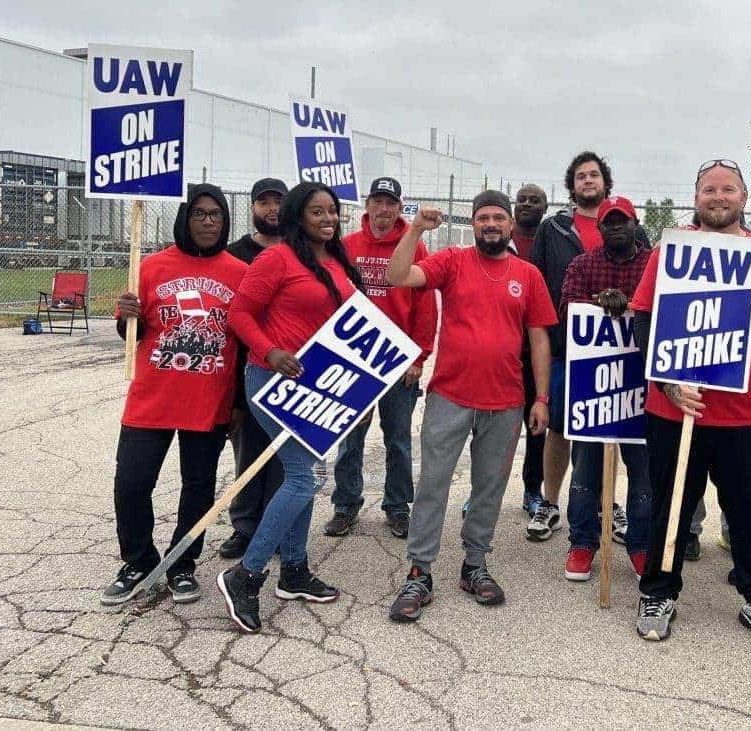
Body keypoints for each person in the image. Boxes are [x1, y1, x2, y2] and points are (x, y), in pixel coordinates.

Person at [632, 159, 751, 651]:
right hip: (677, 411)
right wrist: (666, 384)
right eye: (709, 189)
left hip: (749, 413)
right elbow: (643, 322)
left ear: (744, 199)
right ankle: (658, 593)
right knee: (670, 505)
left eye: (728, 189)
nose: (718, 197)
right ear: (697, 197)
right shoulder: (671, 251)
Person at [385, 191, 556, 624]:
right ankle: (420, 571)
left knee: (488, 489)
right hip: (449, 395)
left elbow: (539, 338)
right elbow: (398, 275)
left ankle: (474, 564)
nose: (491, 224)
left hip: (506, 401)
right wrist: (417, 229)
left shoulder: (528, 274)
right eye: (483, 218)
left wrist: (541, 397)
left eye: (499, 217)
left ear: (511, 223)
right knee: (433, 485)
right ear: (474, 223)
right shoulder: (453, 261)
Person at [218, 182, 365, 634]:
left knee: (302, 476)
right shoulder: (276, 258)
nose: (328, 218)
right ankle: (246, 575)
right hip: (273, 378)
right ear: (298, 216)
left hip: (318, 386)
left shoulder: (336, 261)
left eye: (333, 211)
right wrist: (270, 351)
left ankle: (295, 571)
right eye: (317, 211)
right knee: (304, 477)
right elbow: (239, 314)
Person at [101, 184, 247, 606]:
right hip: (152, 399)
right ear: (185, 218)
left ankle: (182, 564)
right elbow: (135, 334)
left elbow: (243, 342)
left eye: (215, 214)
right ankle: (138, 561)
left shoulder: (239, 272)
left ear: (225, 222)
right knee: (131, 483)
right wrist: (126, 316)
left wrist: (237, 402)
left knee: (198, 486)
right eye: (199, 213)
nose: (207, 221)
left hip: (209, 400)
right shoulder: (148, 267)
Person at [528, 152, 648, 542]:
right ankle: (549, 502)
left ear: (605, 181)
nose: (588, 181)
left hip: (630, 355)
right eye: (580, 176)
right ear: (572, 184)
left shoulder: (637, 236)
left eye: (594, 174)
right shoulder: (554, 229)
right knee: (562, 427)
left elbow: (648, 293)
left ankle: (608, 505)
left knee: (614, 428)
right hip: (571, 348)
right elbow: (543, 284)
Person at [325, 177, 437, 539]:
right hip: (355, 356)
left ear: (399, 208)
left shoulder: (413, 247)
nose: (384, 210)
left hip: (397, 358)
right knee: (351, 436)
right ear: (367, 205)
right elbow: (333, 299)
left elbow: (424, 305)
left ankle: (397, 506)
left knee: (398, 438)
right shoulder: (347, 246)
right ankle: (345, 504)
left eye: (391, 203)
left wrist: (419, 356)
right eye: (378, 201)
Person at [557, 195, 653, 581]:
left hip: (642, 387)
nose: (616, 227)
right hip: (593, 386)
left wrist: (627, 303)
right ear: (599, 228)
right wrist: (603, 304)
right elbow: (568, 309)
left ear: (634, 224)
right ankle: (582, 543)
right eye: (608, 222)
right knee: (585, 471)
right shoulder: (582, 265)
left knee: (643, 475)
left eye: (622, 221)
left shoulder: (651, 263)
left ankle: (642, 545)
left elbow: (662, 305)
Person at [219, 177, 288, 560]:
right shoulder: (233, 255)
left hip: (290, 369)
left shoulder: (301, 253)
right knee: (248, 453)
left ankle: (275, 529)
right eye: (264, 202)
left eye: (279, 201)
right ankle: (245, 528)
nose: (272, 208)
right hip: (245, 368)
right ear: (253, 208)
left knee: (283, 458)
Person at [512, 183, 550, 514]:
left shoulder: (550, 241)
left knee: (536, 424)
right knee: (492, 427)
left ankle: (532, 489)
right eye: (521, 199)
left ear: (545, 208)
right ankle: (483, 489)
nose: (526, 204)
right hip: (501, 350)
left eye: (534, 200)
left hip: (535, 348)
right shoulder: (497, 238)